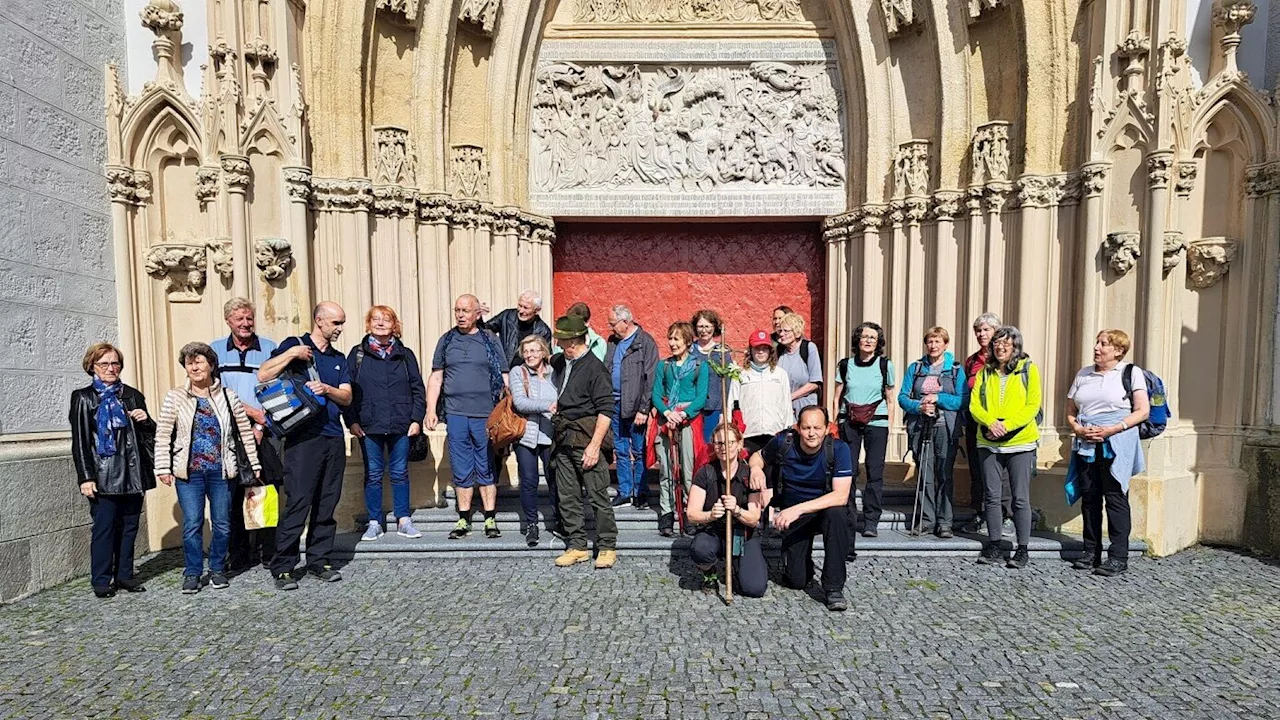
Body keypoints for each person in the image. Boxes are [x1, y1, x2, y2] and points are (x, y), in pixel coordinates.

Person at [258, 301, 354, 590]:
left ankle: (319, 560)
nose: (339, 328)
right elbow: (263, 374)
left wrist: (327, 389)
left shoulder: (339, 358)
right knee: (299, 502)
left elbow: (347, 397)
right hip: (302, 439)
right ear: (320, 320)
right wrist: (291, 354)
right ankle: (283, 566)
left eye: (342, 323)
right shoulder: (295, 346)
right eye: (336, 323)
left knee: (327, 503)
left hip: (333, 437)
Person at [155, 342, 261, 593]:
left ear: (211, 365)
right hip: (188, 472)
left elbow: (244, 433)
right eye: (189, 363)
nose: (194, 366)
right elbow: (163, 434)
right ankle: (192, 572)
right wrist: (162, 466)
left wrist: (254, 463)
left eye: (199, 361)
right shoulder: (176, 396)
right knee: (192, 523)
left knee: (222, 523)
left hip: (221, 471)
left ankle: (217, 569)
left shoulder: (228, 396)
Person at [69, 343, 155, 599]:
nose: (111, 368)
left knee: (130, 526)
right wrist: (86, 477)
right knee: (105, 527)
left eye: (115, 363)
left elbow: (149, 438)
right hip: (104, 474)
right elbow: (81, 441)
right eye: (104, 363)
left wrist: (146, 421)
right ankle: (102, 579)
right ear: (92, 367)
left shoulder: (132, 394)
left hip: (133, 471)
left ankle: (125, 575)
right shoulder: (84, 397)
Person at [748, 406, 854, 611]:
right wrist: (755, 468)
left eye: (817, 427)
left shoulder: (839, 449)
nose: (811, 433)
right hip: (793, 516)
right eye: (806, 427)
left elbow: (841, 496)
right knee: (796, 580)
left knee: (838, 514)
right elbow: (757, 456)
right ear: (798, 427)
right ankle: (802, 567)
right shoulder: (783, 443)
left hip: (823, 511)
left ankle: (833, 588)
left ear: (827, 429)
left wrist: (797, 509)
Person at [1065, 329, 1150, 577]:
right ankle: (1090, 552)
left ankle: (1118, 557)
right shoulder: (1084, 373)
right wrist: (1078, 428)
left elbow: (1142, 410)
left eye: (1103, 344)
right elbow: (1070, 408)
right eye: (1097, 342)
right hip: (1087, 443)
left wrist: (1113, 428)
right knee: (1090, 498)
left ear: (1118, 350)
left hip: (1116, 442)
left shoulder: (1130, 373)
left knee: (1115, 497)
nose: (1097, 347)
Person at [427, 294, 506, 540]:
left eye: (465, 310)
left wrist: (508, 411)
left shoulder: (489, 340)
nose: (461, 315)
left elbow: (504, 376)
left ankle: (490, 517)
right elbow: (436, 377)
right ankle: (463, 518)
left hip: (486, 414)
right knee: (461, 467)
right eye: (457, 310)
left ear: (477, 313)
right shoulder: (447, 340)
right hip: (456, 413)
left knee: (485, 465)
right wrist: (430, 410)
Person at [347, 305, 427, 542]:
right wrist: (351, 420)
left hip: (401, 423)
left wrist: (416, 419)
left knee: (400, 472)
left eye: (386, 319)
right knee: (373, 473)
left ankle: (404, 520)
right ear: (368, 324)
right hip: (368, 424)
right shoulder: (357, 354)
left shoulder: (405, 354)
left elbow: (417, 389)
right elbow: (347, 389)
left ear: (395, 325)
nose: (381, 323)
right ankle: (374, 522)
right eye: (376, 319)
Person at [212, 297, 281, 571]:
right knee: (232, 492)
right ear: (228, 321)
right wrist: (245, 415)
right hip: (229, 431)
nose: (245, 324)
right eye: (239, 319)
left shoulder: (270, 348)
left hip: (262, 429)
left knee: (264, 490)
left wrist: (260, 424)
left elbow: (276, 389)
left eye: (249, 318)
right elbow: (212, 390)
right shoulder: (215, 350)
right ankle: (239, 554)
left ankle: (267, 552)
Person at [548, 315, 618, 569]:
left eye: (561, 339)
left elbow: (606, 410)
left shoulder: (595, 369)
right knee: (568, 496)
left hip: (586, 439)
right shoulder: (562, 362)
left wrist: (594, 446)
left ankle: (607, 545)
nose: (556, 343)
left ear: (573, 341)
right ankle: (577, 545)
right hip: (564, 437)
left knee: (598, 495)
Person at [968, 325, 1041, 569]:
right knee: (991, 496)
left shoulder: (1028, 369)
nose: (1000, 348)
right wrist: (990, 422)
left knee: (1020, 498)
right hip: (988, 441)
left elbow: (1032, 406)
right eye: (996, 344)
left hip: (1020, 442)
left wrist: (1006, 425)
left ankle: (1022, 548)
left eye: (1006, 344)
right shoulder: (985, 373)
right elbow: (974, 404)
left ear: (1015, 347)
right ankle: (995, 544)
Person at [898, 328, 966, 538]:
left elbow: (963, 401)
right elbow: (902, 397)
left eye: (938, 341)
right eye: (930, 341)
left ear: (946, 344)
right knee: (925, 476)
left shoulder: (955, 370)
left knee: (944, 475)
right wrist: (918, 407)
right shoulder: (916, 368)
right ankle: (926, 520)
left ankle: (945, 522)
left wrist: (939, 399)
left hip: (946, 428)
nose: (933, 345)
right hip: (920, 427)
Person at [687, 424, 767, 598]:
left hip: (742, 534)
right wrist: (710, 515)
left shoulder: (748, 475)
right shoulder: (705, 472)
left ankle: (738, 566)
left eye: (730, 442)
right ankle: (710, 572)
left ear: (739, 444)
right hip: (714, 532)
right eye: (719, 443)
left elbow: (754, 519)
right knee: (700, 548)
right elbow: (692, 514)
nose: (724, 447)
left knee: (754, 588)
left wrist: (737, 510)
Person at [834, 322, 894, 537]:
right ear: (857, 340)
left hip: (877, 423)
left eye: (873, 338)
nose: (868, 341)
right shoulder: (845, 365)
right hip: (848, 422)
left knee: (874, 471)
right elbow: (836, 396)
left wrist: (890, 426)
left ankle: (871, 521)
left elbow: (890, 398)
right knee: (847, 470)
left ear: (878, 343)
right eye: (865, 336)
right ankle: (849, 517)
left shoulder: (885, 365)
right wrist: (835, 423)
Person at [652, 321, 709, 537]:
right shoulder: (663, 366)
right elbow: (656, 393)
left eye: (676, 339)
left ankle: (688, 511)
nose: (672, 343)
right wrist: (667, 413)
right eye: (670, 338)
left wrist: (683, 414)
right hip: (666, 422)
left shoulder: (699, 366)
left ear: (687, 341)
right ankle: (667, 513)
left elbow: (700, 397)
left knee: (687, 470)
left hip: (688, 423)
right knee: (666, 469)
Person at [961, 313, 1012, 536]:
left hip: (1004, 424)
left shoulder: (1007, 357)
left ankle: (1006, 515)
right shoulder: (972, 361)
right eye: (978, 330)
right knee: (977, 470)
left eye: (986, 330)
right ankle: (980, 513)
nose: (982, 334)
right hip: (977, 423)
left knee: (1004, 471)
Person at [603, 304, 658, 509]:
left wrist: (644, 409)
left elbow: (650, 378)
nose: (611, 328)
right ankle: (625, 491)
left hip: (635, 406)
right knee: (621, 448)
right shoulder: (613, 342)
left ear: (625, 321)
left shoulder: (645, 342)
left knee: (638, 449)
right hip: (614, 403)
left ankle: (641, 491)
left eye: (613, 324)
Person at [510, 334, 559, 547]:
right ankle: (531, 524)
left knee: (555, 480)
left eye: (534, 351)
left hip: (550, 433)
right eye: (526, 351)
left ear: (543, 352)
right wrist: (548, 406)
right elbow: (521, 403)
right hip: (525, 435)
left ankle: (559, 520)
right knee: (529, 481)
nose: (529, 355)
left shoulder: (555, 373)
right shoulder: (517, 372)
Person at [732, 329, 794, 455]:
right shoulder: (740, 375)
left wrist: (788, 432)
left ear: (770, 351)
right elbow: (731, 405)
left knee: (773, 472)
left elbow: (787, 405)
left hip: (774, 433)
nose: (760, 352)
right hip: (749, 434)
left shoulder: (780, 374)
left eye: (764, 348)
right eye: (756, 348)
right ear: (750, 350)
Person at [482, 289, 552, 369]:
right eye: (520, 305)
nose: (521, 311)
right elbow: (483, 330)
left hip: (527, 374)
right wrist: (477, 316)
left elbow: (546, 357)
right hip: (503, 370)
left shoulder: (543, 331)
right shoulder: (507, 316)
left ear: (537, 310)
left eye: (526, 308)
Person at [691, 309, 729, 443]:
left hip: (715, 408)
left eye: (707, 326)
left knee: (711, 445)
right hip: (692, 407)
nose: (704, 330)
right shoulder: (689, 350)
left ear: (714, 328)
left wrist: (724, 411)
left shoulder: (722, 352)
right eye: (700, 326)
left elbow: (727, 384)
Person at [775, 312, 822, 414]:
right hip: (784, 409)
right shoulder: (779, 351)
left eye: (786, 331)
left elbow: (815, 383)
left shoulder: (809, 348)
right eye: (780, 331)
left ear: (796, 332)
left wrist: (790, 397)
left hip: (805, 409)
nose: (782, 334)